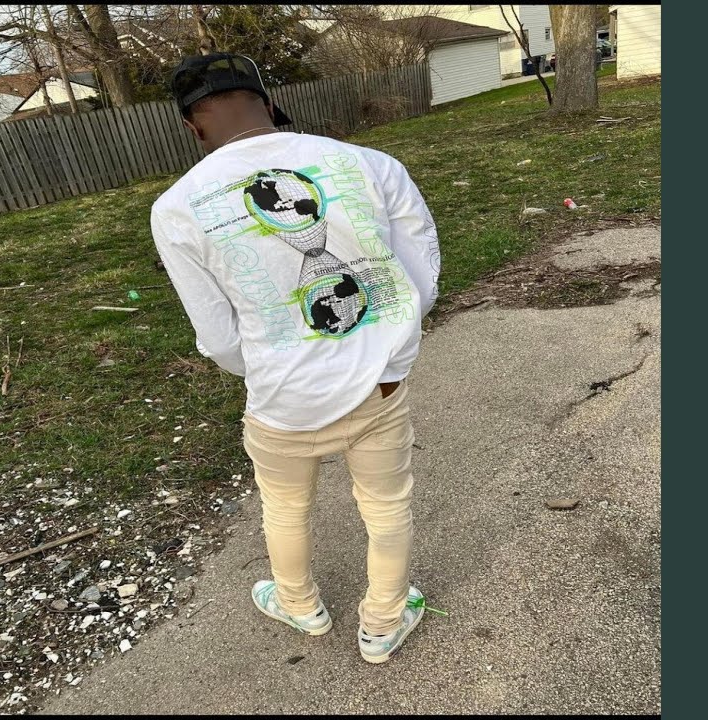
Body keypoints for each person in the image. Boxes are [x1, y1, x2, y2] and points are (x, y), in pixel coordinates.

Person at [150, 53, 441, 664]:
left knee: (283, 507)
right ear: (266, 102)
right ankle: (383, 622)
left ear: (192, 127)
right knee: (387, 506)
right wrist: (390, 344)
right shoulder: (370, 164)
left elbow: (218, 337)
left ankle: (300, 605)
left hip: (280, 400)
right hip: (378, 385)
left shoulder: (177, 207)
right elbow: (419, 274)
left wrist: (266, 367)